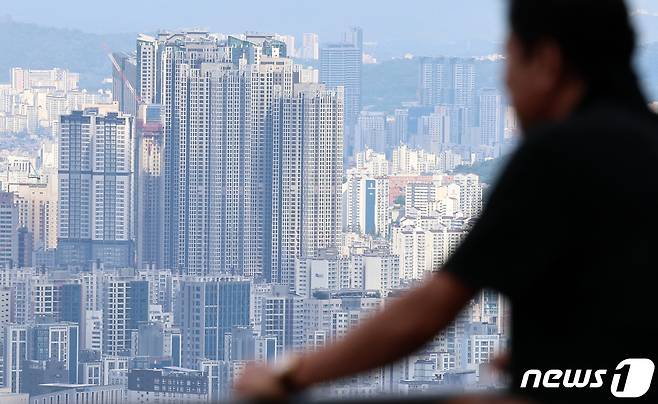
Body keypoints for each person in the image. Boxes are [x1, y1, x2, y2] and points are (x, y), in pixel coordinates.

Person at [236, 0, 658, 402]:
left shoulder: (560, 154)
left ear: (546, 62)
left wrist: (291, 374)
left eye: (510, 60)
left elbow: (428, 312)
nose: (507, 82)